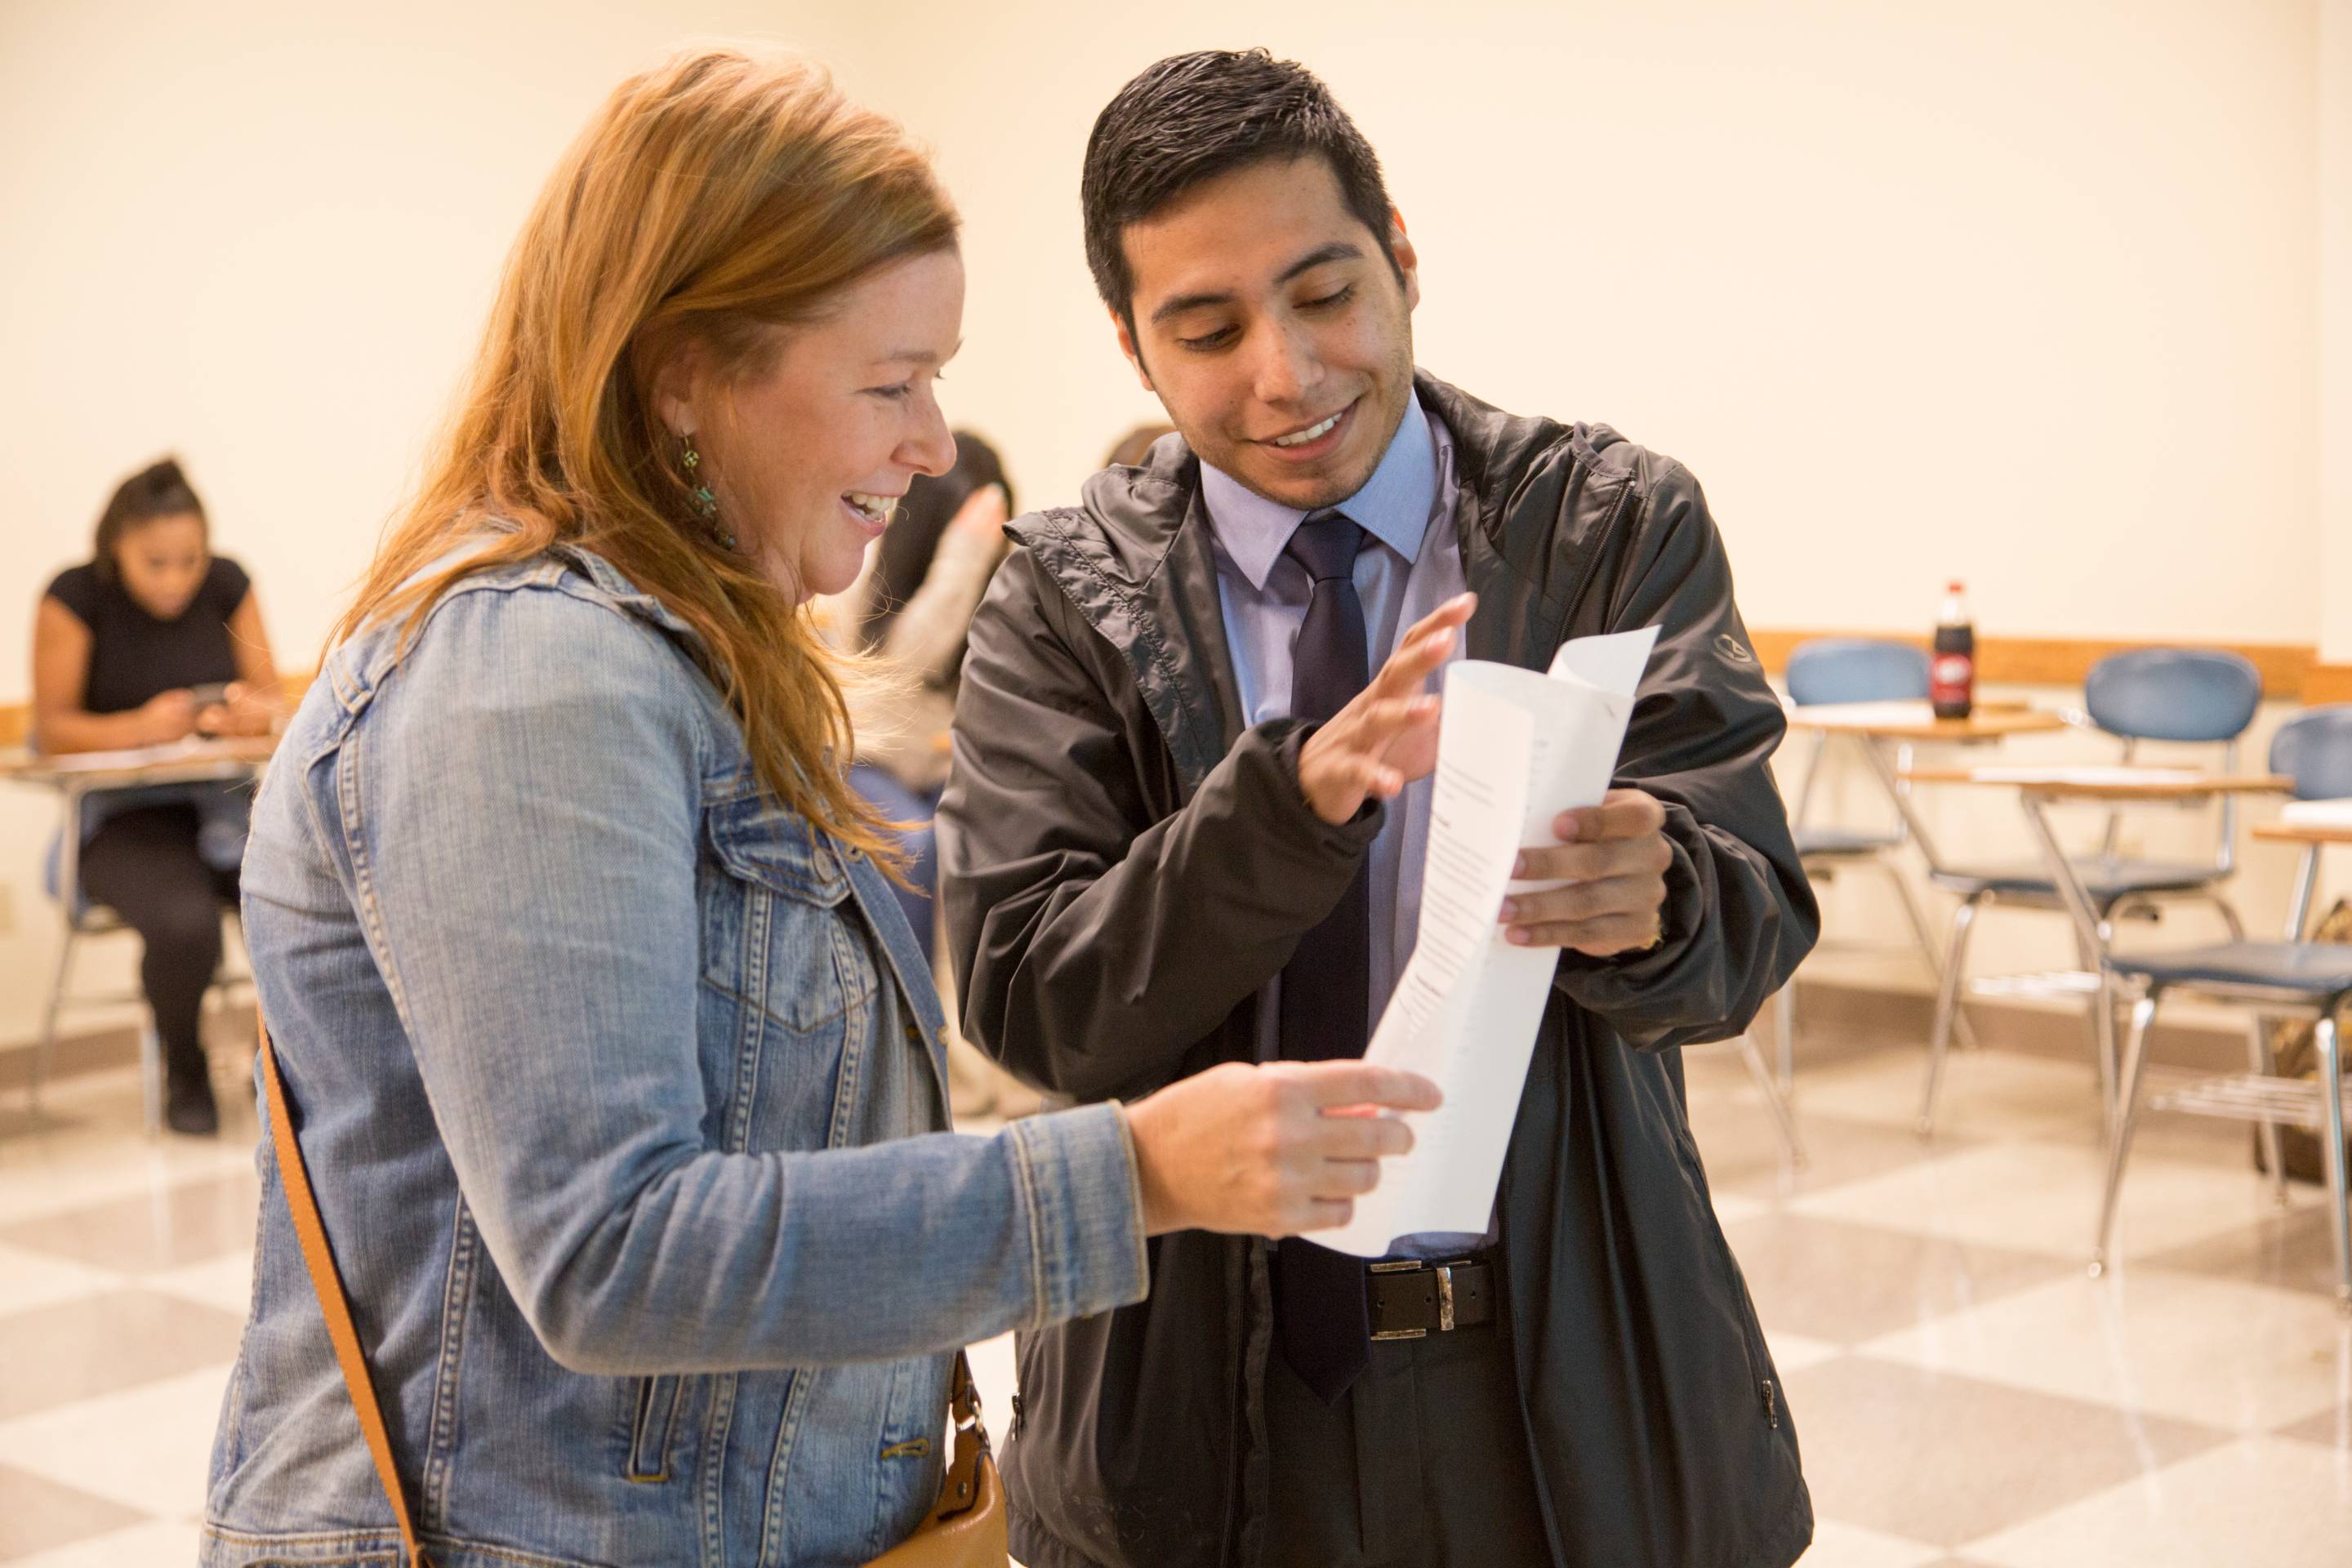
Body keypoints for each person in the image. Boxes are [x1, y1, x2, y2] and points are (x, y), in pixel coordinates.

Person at [202, 45, 1439, 1568]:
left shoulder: (677, 665)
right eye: (890, 384)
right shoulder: (531, 675)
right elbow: (610, 1254)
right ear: (684, 377)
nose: (929, 445)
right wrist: (1141, 1173)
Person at [939, 49, 1820, 1568]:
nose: (1284, 373)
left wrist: (1664, 896)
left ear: (1403, 255)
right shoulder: (1064, 592)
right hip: (1202, 1394)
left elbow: (1753, 916)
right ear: (1133, 347)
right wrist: (1284, 811)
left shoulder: (1608, 525)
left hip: (1557, 1367)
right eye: (1206, 329)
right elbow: (1031, 997)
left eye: (1326, 292)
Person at [32, 457, 283, 1134]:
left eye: (190, 561)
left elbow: (269, 699)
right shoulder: (74, 596)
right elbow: (50, 731)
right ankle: (188, 1068)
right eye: (156, 563)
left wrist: (249, 716)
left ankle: (296, 1076)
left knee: (307, 899)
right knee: (184, 925)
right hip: (122, 825)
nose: (177, 579)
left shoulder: (228, 584)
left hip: (227, 810)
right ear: (117, 548)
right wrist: (136, 729)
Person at [831, 430, 1015, 966]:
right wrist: (964, 559)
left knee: (1006, 845)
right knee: (913, 848)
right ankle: (917, 1025)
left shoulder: (1000, 579)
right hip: (865, 763)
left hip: (941, 774)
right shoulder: (869, 576)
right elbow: (903, 665)